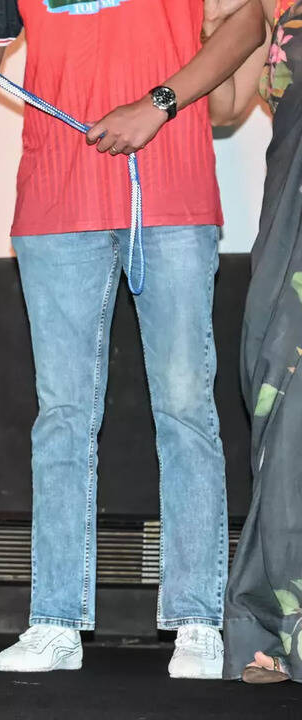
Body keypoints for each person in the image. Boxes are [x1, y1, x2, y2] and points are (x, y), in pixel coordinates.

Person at [0, 0, 265, 677]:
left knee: (185, 409)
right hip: (58, 197)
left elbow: (249, 21)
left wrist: (159, 103)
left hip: (170, 193)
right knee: (63, 418)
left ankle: (197, 619)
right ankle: (55, 620)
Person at [204, 0, 302, 684]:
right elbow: (224, 109)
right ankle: (277, 625)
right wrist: (211, 30)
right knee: (280, 390)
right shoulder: (256, 9)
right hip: (292, 206)